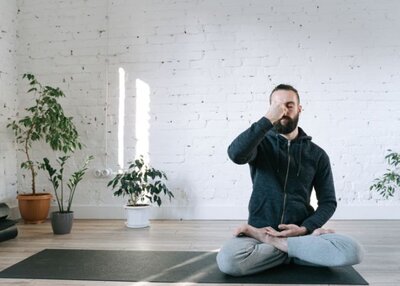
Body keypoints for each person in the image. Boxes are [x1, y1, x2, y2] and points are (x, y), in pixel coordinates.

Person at [216, 84, 364, 276]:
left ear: (299, 109)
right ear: (270, 109)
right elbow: (235, 154)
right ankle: (295, 254)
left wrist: (305, 228)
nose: (283, 111)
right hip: (260, 233)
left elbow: (328, 202)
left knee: (354, 251)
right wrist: (268, 119)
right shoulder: (259, 145)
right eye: (277, 106)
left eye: (289, 105)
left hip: (300, 236)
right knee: (229, 261)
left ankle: (280, 247)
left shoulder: (318, 155)